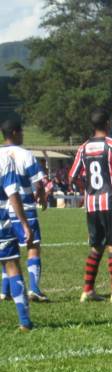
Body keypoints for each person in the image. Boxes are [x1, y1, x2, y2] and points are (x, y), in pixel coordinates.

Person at [69, 108, 112, 303]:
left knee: (96, 246)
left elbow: (72, 177)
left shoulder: (83, 147)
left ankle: (87, 290)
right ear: (108, 123)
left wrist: (88, 190)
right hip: (111, 202)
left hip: (92, 205)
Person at [1, 118, 48, 303]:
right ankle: (34, 288)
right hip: (25, 206)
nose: (23, 135)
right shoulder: (25, 154)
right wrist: (42, 197)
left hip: (5, 210)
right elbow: (38, 182)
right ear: (14, 133)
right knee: (33, 246)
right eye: (21, 131)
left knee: (9, 251)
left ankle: (4, 292)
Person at [0, 150, 34, 331]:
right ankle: (25, 321)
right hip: (2, 222)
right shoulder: (4, 159)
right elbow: (13, 193)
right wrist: (24, 223)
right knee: (12, 265)